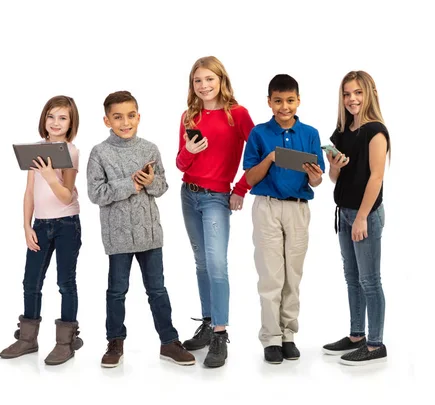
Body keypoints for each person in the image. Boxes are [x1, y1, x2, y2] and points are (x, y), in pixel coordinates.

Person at [87, 90, 195, 368]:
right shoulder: (100, 152)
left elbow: (162, 187)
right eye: (118, 117)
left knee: (157, 290)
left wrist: (148, 182)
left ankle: (169, 342)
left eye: (131, 116)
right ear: (106, 120)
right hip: (118, 235)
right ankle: (115, 342)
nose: (125, 122)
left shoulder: (149, 148)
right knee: (116, 290)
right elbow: (96, 193)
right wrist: (131, 185)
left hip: (150, 235)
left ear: (139, 117)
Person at [177, 56, 254, 368]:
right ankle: (208, 324)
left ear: (221, 80)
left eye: (209, 79)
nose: (204, 86)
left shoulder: (238, 114)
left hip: (216, 197)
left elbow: (260, 153)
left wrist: (240, 188)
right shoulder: (188, 116)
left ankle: (220, 334)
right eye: (198, 81)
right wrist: (189, 151)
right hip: (189, 194)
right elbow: (181, 164)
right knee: (201, 264)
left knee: (217, 264)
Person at [243, 74, 324, 364]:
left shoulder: (311, 133)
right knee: (271, 275)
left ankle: (289, 334)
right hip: (267, 207)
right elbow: (250, 178)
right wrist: (270, 158)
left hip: (298, 209)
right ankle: (271, 338)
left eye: (290, 100)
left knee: (293, 275)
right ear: (269, 102)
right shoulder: (259, 134)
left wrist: (315, 177)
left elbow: (316, 181)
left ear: (298, 100)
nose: (284, 106)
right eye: (278, 101)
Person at [0, 95, 84, 366]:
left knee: (65, 282)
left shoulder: (70, 152)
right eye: (51, 116)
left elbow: (66, 195)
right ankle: (27, 339)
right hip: (40, 225)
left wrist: (51, 176)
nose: (55, 122)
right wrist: (26, 226)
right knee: (31, 281)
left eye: (62, 118)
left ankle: (66, 340)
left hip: (66, 224)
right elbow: (28, 193)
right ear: (44, 119)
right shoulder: (35, 149)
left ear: (71, 123)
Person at [321, 71, 391, 366]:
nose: (352, 99)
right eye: (347, 94)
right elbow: (334, 178)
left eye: (358, 93)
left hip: (366, 215)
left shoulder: (375, 131)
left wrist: (362, 217)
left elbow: (376, 177)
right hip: (344, 213)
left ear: (370, 93)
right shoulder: (342, 130)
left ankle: (375, 345)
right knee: (352, 279)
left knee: (370, 281)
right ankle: (356, 335)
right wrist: (334, 165)